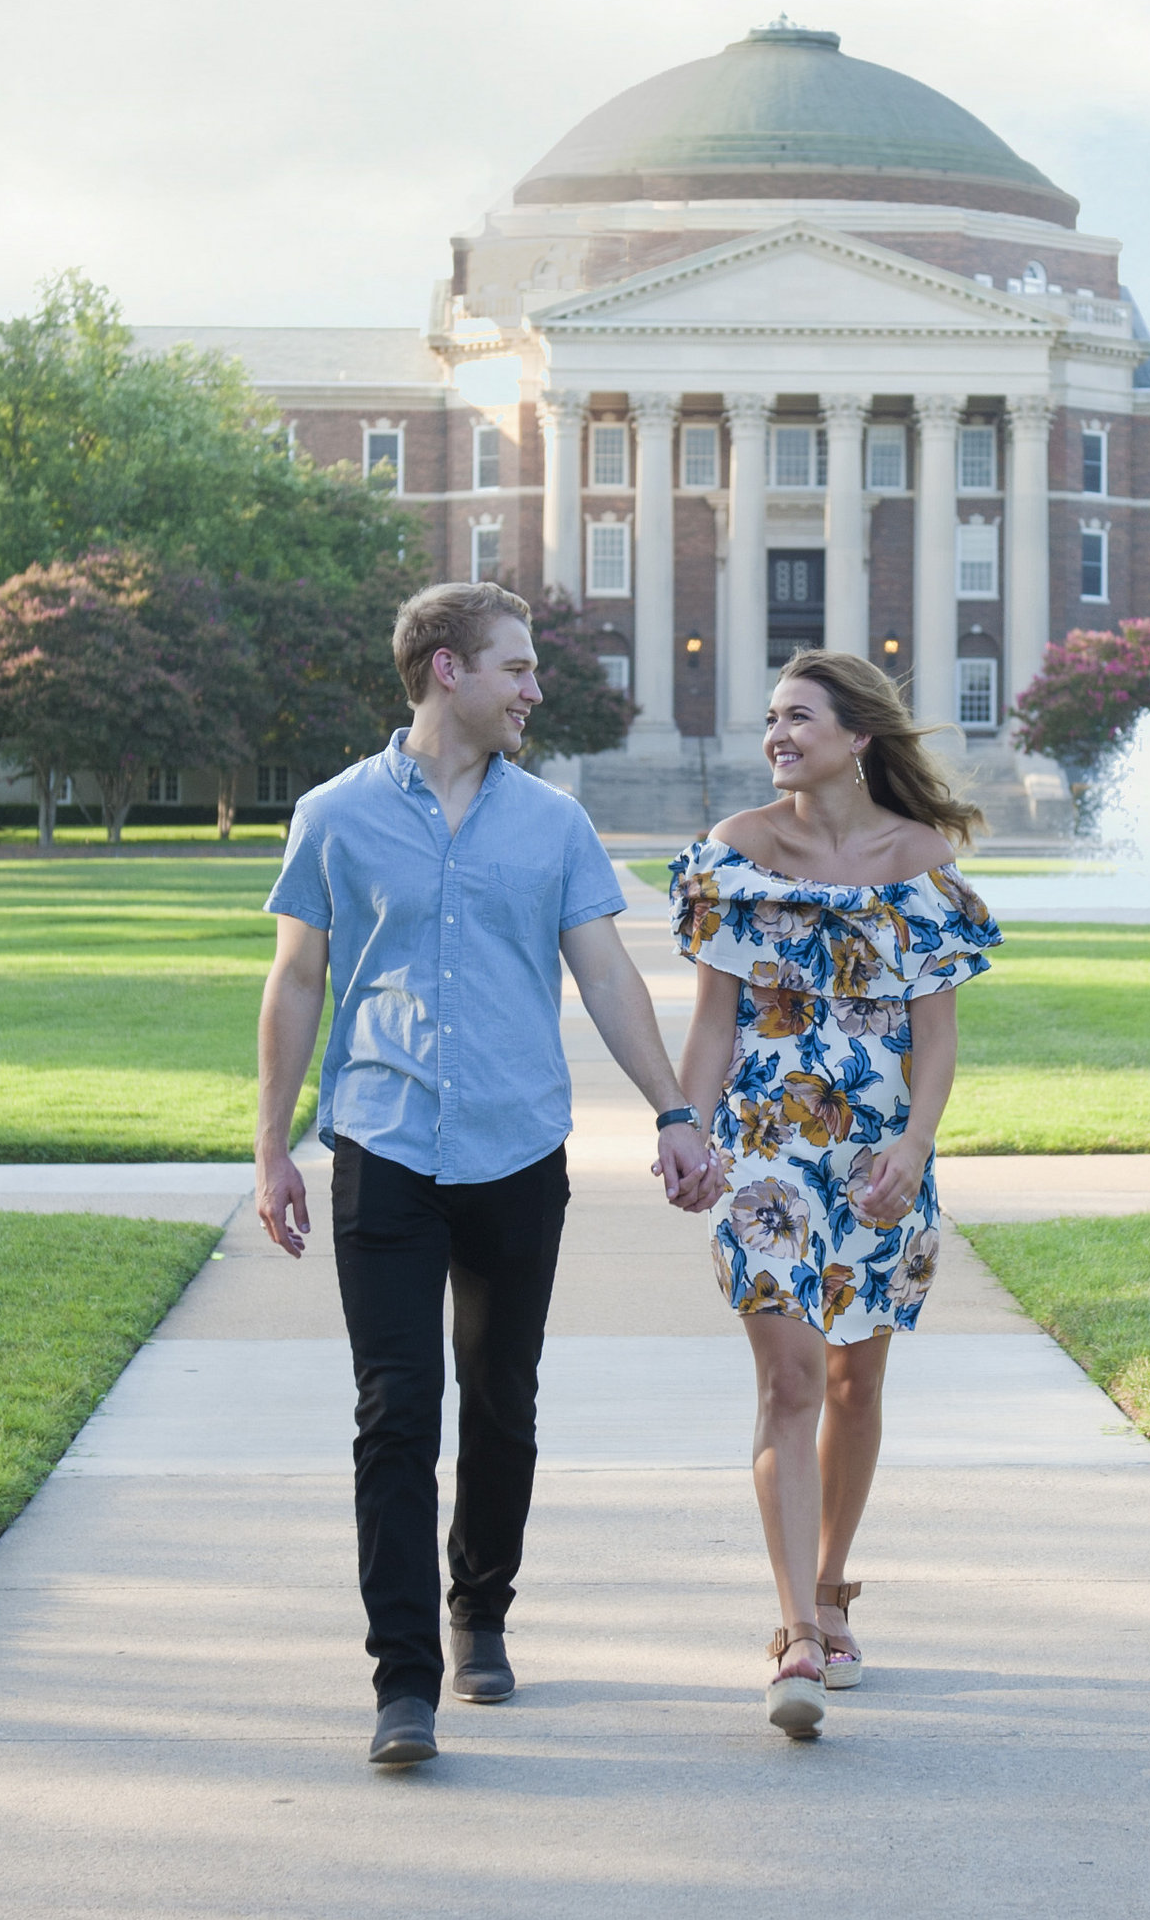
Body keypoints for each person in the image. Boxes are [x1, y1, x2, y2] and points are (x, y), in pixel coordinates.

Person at [256, 581, 720, 1769]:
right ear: (446, 671)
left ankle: (481, 1614)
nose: (534, 687)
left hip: (517, 1144)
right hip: (383, 1140)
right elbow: (297, 980)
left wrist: (672, 1109)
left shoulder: (553, 823)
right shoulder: (335, 814)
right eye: (516, 667)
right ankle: (401, 1679)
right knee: (396, 1412)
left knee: (501, 1403)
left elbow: (610, 978)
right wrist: (272, 1141)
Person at [668, 649, 1000, 1739]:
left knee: (855, 1383)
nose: (776, 733)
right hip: (764, 1141)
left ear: (858, 737)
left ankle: (832, 1581)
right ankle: (794, 1633)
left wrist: (913, 1141)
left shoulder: (919, 861)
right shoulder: (735, 853)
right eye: (770, 718)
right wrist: (689, 1128)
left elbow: (936, 1038)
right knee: (791, 1376)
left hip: (876, 1157)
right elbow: (713, 1017)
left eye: (798, 716)